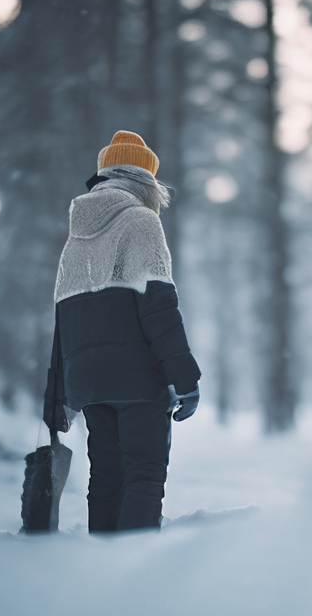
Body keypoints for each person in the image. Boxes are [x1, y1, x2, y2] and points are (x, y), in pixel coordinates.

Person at [43, 130, 201, 532]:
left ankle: (102, 567)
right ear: (147, 180)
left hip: (90, 383)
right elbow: (158, 307)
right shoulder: (142, 222)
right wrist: (186, 378)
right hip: (137, 377)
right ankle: (134, 573)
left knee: (107, 479)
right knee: (144, 475)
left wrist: (57, 394)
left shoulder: (75, 237)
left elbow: (65, 321)